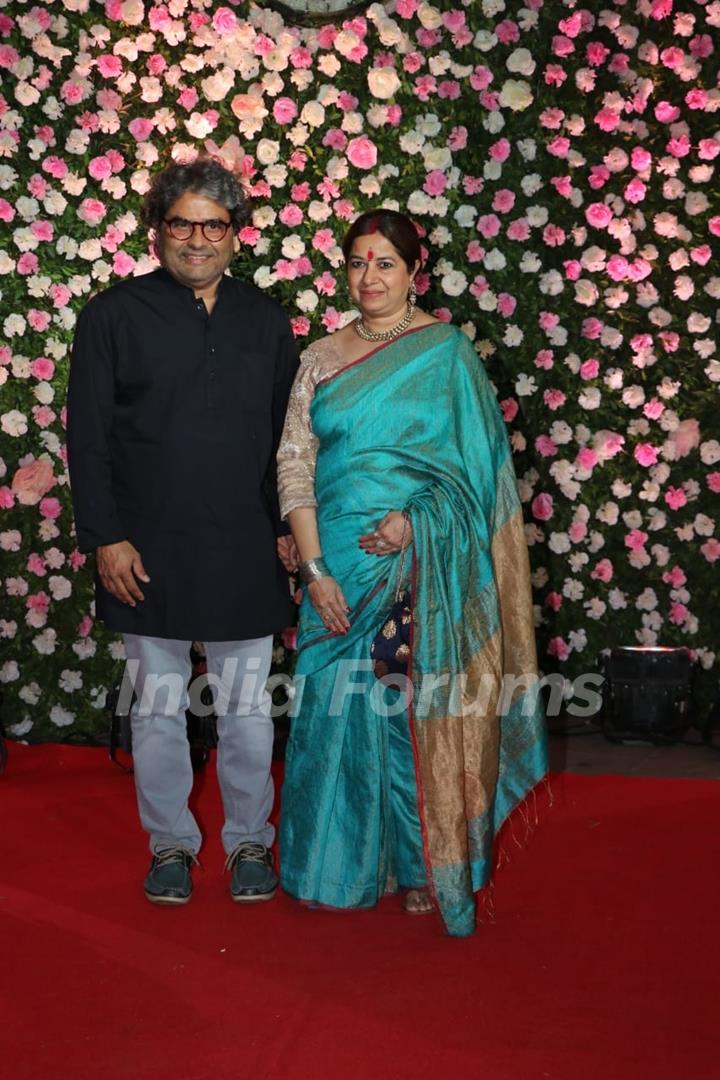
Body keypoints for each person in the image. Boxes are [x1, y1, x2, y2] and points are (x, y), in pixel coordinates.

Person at [276, 209, 547, 936]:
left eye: (385, 263)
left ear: (414, 273)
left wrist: (417, 522)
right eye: (359, 262)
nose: (370, 277)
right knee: (331, 710)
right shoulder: (322, 359)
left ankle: (423, 867)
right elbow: (295, 464)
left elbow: (476, 478)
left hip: (418, 569)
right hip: (333, 570)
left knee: (407, 717)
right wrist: (313, 570)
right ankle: (329, 867)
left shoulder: (445, 354)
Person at [67, 158, 298, 906]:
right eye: (181, 223)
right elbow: (89, 437)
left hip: (243, 543)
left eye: (213, 225)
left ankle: (249, 844)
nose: (196, 239)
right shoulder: (112, 315)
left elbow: (289, 440)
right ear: (156, 229)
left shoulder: (265, 321)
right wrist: (105, 535)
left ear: (237, 236)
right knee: (159, 711)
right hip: (146, 548)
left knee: (247, 712)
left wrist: (292, 531)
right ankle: (169, 844)